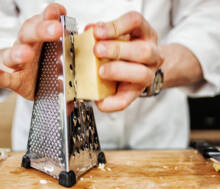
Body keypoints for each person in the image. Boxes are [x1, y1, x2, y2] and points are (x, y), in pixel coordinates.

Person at [0, 0, 220, 151]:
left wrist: (155, 66)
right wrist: (15, 64)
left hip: (155, 135)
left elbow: (209, 19)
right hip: (48, 140)